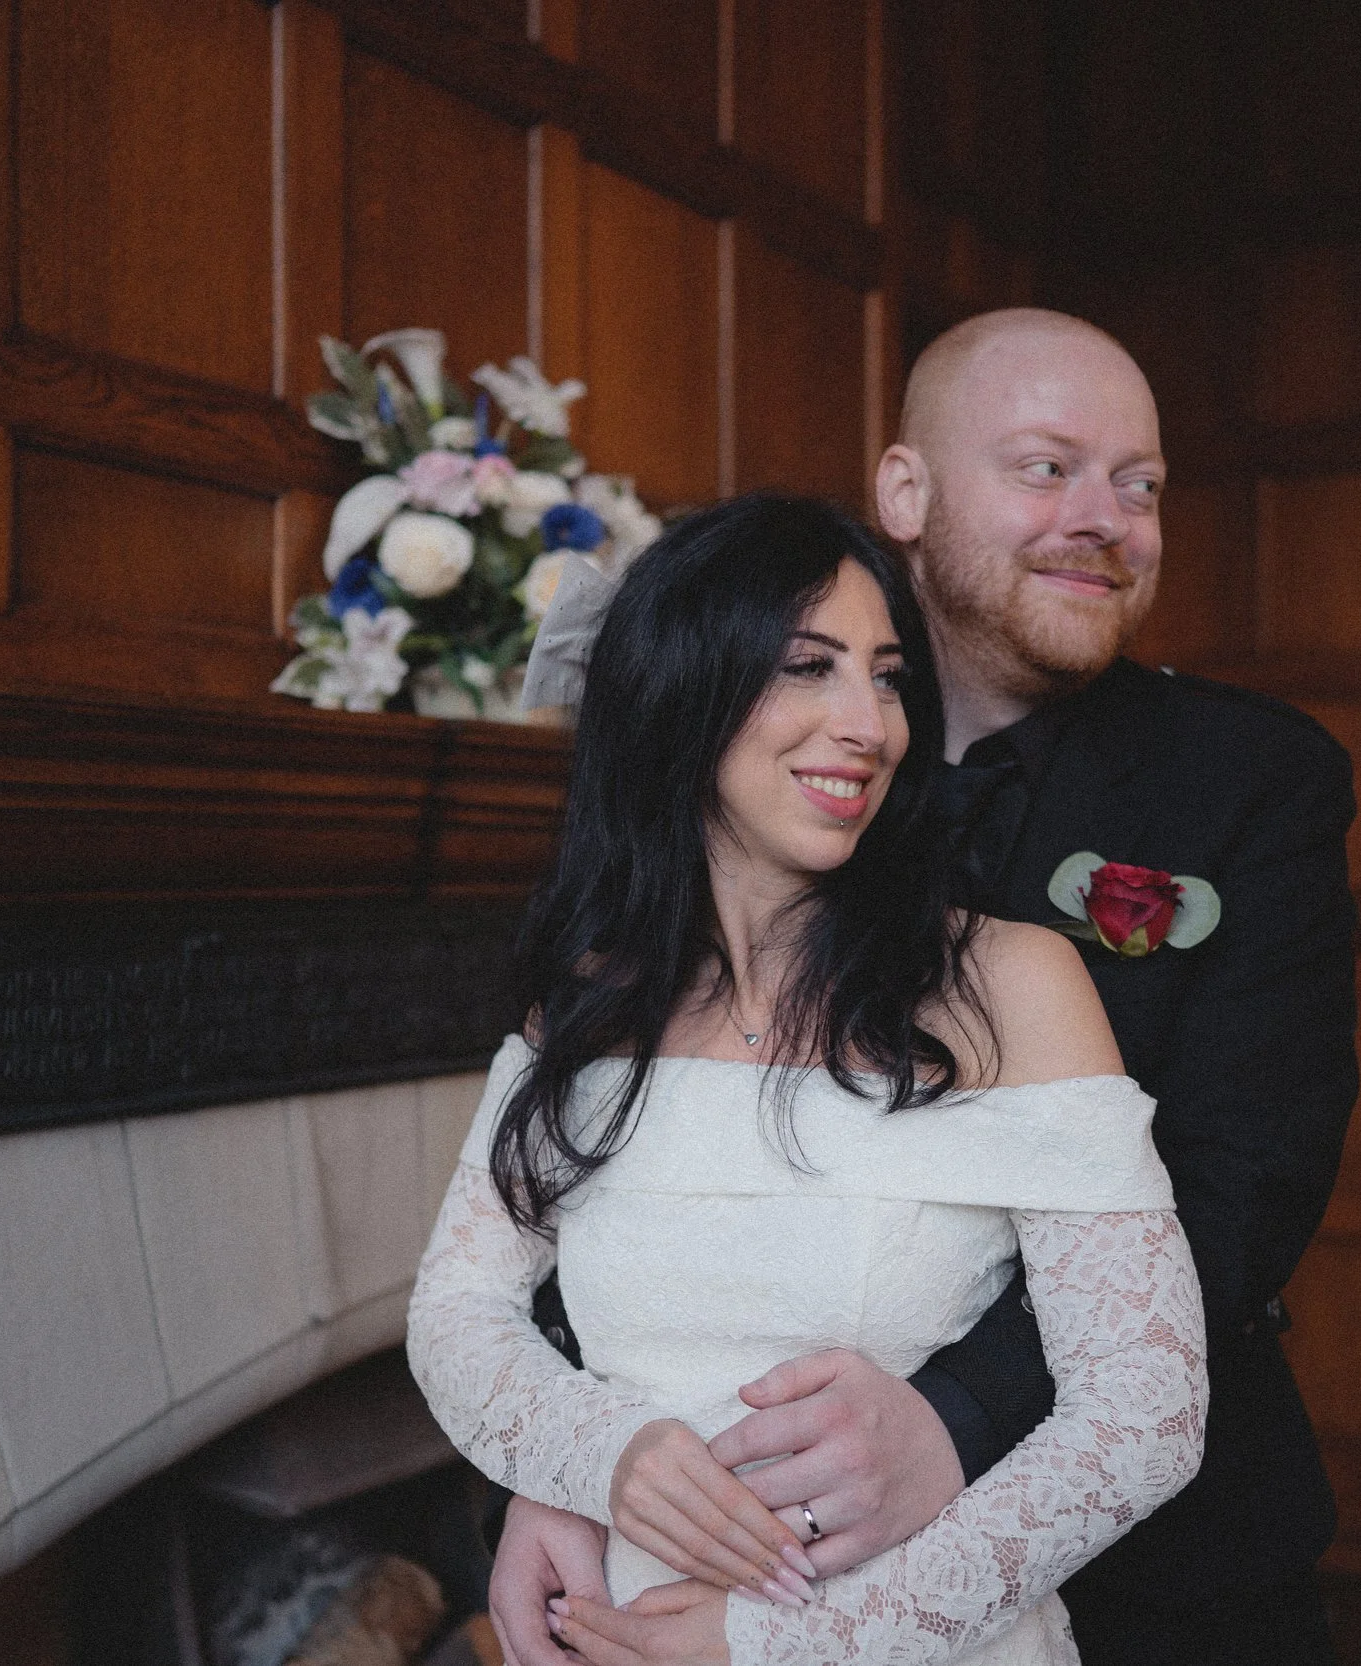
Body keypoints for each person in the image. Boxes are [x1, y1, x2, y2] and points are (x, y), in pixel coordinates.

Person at [487, 309, 1359, 1664]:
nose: (1105, 518)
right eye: (1047, 465)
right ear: (906, 490)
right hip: (743, 1554)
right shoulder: (759, 765)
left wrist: (955, 1414)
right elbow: (623, 1143)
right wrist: (559, 1463)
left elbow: (1243, 1174)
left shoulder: (1252, 778)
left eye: (1140, 484)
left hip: (1161, 1568)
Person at [407, 492, 1209, 1665]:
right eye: (808, 667)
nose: (869, 724)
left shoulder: (1007, 983)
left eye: (885, 676)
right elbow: (458, 1313)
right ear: (684, 690)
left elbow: (1145, 1414)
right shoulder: (591, 996)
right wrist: (590, 1462)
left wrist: (798, 1644)